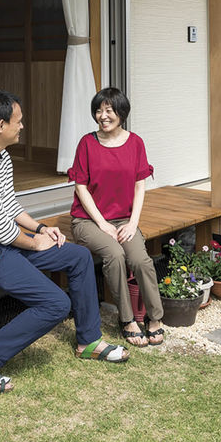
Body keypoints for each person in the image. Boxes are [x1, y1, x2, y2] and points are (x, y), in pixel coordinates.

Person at [0, 90, 127, 395]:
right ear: (1, 125)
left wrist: (42, 229)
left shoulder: (0, 156)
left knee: (78, 257)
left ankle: (89, 340)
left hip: (4, 244)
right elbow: (3, 231)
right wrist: (35, 243)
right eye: (18, 122)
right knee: (56, 303)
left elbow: (9, 206)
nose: (23, 127)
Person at [69, 87, 164, 347]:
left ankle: (155, 317)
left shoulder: (135, 143)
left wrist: (133, 223)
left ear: (121, 112)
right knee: (115, 255)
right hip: (88, 220)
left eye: (109, 110)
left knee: (140, 260)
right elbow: (80, 186)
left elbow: (139, 185)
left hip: (124, 220)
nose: (103, 116)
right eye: (99, 110)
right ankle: (127, 319)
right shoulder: (87, 143)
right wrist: (102, 224)